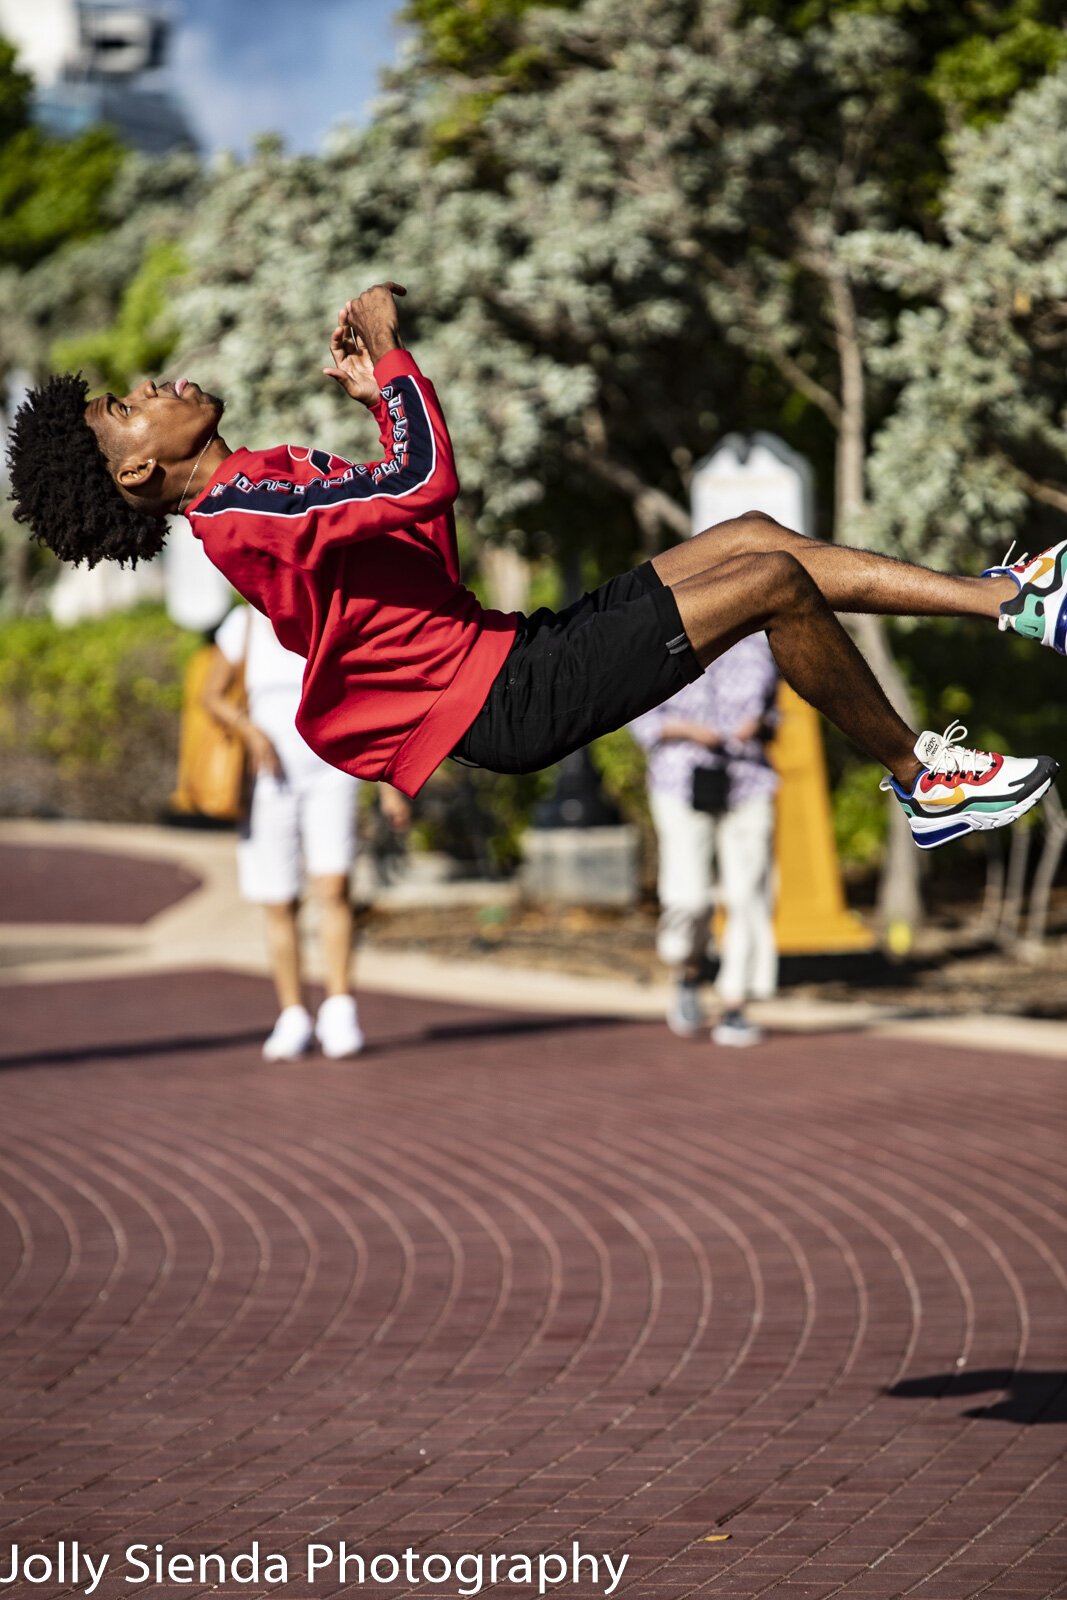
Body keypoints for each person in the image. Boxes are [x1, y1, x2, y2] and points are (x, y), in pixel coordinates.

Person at [6, 282, 1065, 851]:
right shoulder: (246, 512)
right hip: (507, 699)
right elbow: (425, 484)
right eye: (125, 405)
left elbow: (404, 522)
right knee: (772, 588)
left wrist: (377, 396)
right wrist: (391, 353)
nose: (147, 382)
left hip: (505, 656)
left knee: (752, 535)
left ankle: (1015, 602)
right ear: (142, 466)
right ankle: (927, 767)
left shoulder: (262, 486)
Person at [201, 602, 409, 1062]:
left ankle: (339, 1007)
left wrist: (390, 784)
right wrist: (250, 732)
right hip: (269, 777)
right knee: (279, 900)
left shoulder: (328, 611)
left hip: (334, 769)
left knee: (334, 886)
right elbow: (211, 695)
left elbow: (369, 695)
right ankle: (293, 1014)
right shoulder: (245, 623)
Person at [632, 634, 780, 1047]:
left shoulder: (760, 641)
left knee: (749, 894)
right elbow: (639, 718)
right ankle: (688, 969)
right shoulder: (666, 635)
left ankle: (735, 1004)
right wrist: (691, 731)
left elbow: (775, 709)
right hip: (680, 779)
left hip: (749, 778)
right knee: (689, 897)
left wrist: (761, 724)